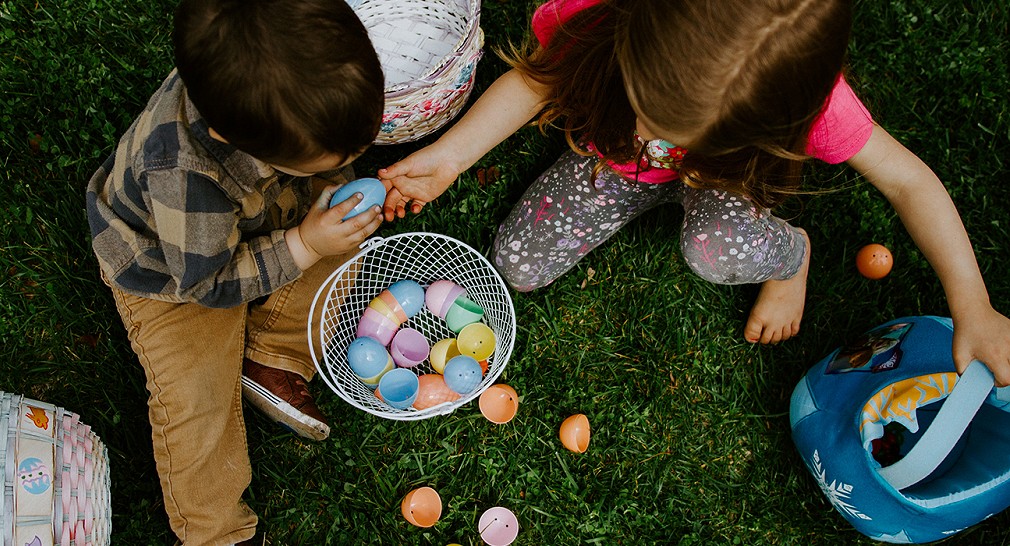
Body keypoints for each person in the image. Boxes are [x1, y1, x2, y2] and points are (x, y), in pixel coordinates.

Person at [378, 0, 1010, 385]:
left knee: (718, 251)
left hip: (725, 190)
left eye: (669, 127)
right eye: (642, 102)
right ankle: (646, 194)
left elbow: (909, 180)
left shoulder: (815, 107)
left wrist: (974, 306)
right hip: (616, 172)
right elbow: (538, 81)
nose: (644, 131)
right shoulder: (605, 17)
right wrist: (450, 157)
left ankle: (791, 255)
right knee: (516, 265)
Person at [85, 0, 384, 543]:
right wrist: (304, 243)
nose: (352, 159)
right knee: (198, 401)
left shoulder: (268, 90)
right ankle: (217, 532)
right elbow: (207, 283)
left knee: (353, 239)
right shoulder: (185, 173)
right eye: (329, 157)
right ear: (230, 137)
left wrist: (325, 210)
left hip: (269, 214)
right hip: (175, 274)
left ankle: (270, 358)